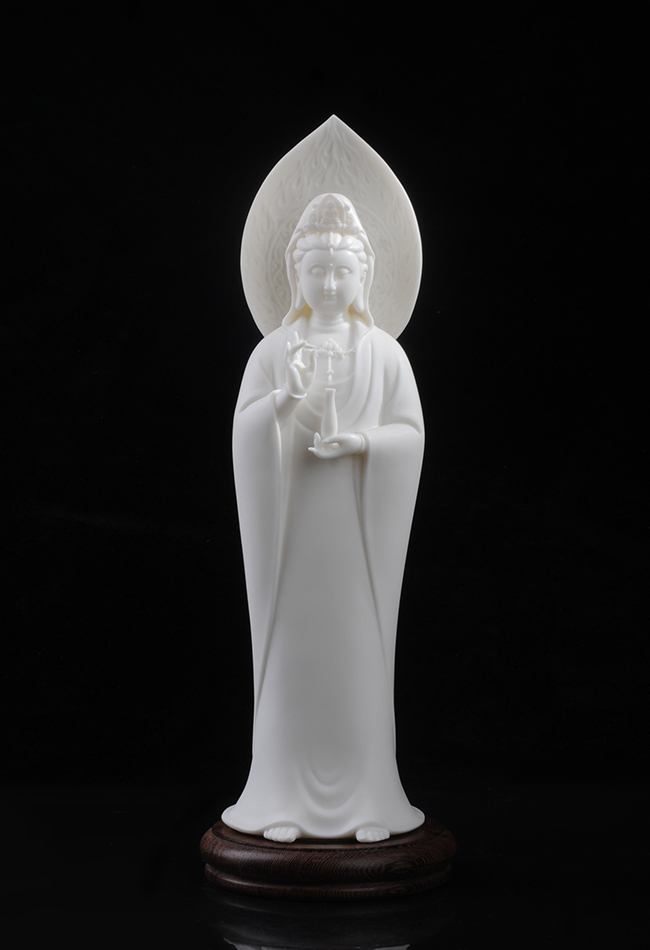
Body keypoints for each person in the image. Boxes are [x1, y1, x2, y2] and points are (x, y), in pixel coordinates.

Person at [222, 194, 425, 842]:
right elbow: (245, 435)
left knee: (356, 663)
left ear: (364, 275)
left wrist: (361, 443)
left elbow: (411, 436)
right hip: (294, 543)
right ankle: (280, 797)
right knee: (294, 665)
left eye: (342, 270)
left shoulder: (386, 355)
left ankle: (369, 801)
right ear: (295, 274)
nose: (331, 284)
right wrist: (286, 398)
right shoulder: (272, 352)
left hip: (357, 543)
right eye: (318, 270)